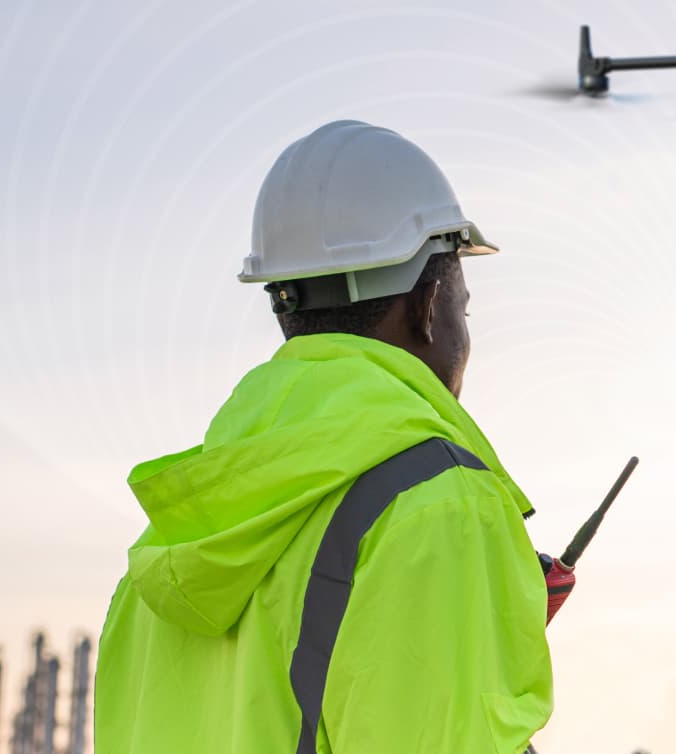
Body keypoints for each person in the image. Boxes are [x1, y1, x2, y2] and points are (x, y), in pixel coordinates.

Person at [96, 121, 555, 753]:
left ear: (284, 307)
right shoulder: (437, 500)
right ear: (425, 308)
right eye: (462, 309)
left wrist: (480, 632)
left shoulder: (171, 541)